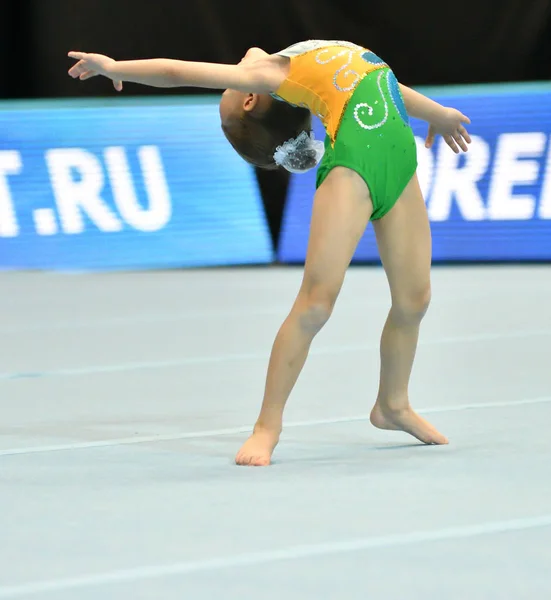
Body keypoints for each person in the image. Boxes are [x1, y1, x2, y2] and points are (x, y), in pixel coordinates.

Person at [68, 40, 471, 467]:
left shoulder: (297, 64)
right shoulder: (272, 76)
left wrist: (437, 113)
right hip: (354, 169)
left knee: (415, 301)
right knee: (315, 305)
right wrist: (117, 66)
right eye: (231, 84)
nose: (241, 59)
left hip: (399, 166)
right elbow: (175, 72)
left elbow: (381, 81)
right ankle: (267, 427)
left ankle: (392, 404)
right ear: (248, 97)